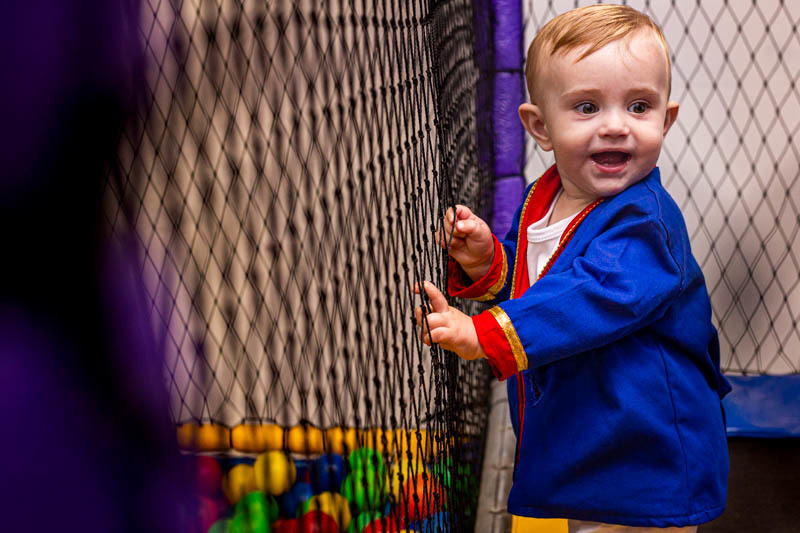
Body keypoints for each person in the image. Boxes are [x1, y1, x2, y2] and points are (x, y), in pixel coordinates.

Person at [415, 5, 730, 531]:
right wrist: (491, 261)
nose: (615, 127)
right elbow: (542, 279)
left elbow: (591, 295)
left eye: (638, 106)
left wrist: (482, 334)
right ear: (540, 127)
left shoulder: (645, 222)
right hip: (590, 438)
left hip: (644, 451)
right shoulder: (548, 196)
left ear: (665, 120)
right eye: (587, 107)